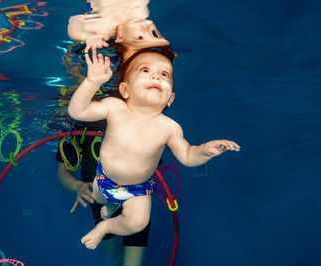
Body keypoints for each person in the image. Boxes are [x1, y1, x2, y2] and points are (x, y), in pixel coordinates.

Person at [68, 48, 241, 250]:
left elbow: (187, 156)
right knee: (99, 199)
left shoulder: (169, 127)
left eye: (165, 74)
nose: (156, 75)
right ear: (125, 90)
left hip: (138, 189)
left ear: (170, 99)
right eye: (145, 70)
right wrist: (92, 82)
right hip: (105, 178)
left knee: (137, 223)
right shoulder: (113, 107)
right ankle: (110, 206)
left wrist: (204, 150)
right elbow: (77, 111)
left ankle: (106, 226)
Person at [56, 121, 150, 265]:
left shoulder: (129, 116)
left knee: (132, 263)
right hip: (100, 200)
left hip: (134, 197)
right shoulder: (76, 125)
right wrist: (78, 186)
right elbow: (62, 173)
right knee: (113, 255)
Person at [67, 0, 169, 62]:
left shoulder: (105, 28)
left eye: (140, 37)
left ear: (120, 37)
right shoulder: (142, 14)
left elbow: (74, 21)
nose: (146, 26)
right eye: (155, 34)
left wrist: (86, 37)